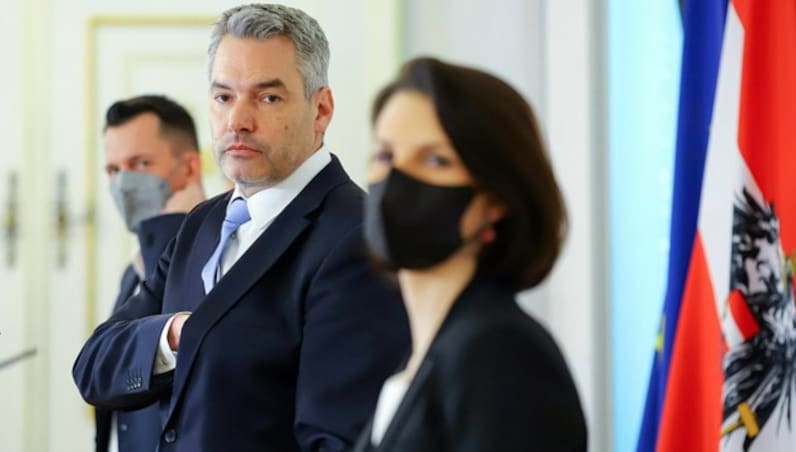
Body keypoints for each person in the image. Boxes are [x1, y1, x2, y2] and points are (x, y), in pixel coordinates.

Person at [72, 4, 409, 452]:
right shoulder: (200, 226)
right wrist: (174, 336)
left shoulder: (356, 238)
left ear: (321, 109)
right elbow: (94, 367)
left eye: (268, 97)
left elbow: (336, 440)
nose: (238, 121)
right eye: (223, 97)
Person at [353, 57, 588, 451]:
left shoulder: (501, 352)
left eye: (435, 160)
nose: (396, 180)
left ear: (494, 200)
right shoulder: (423, 355)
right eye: (385, 155)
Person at [95, 94, 206, 452]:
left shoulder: (215, 255)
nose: (123, 184)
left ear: (190, 169)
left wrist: (172, 227)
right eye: (113, 170)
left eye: (140, 163)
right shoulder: (134, 268)